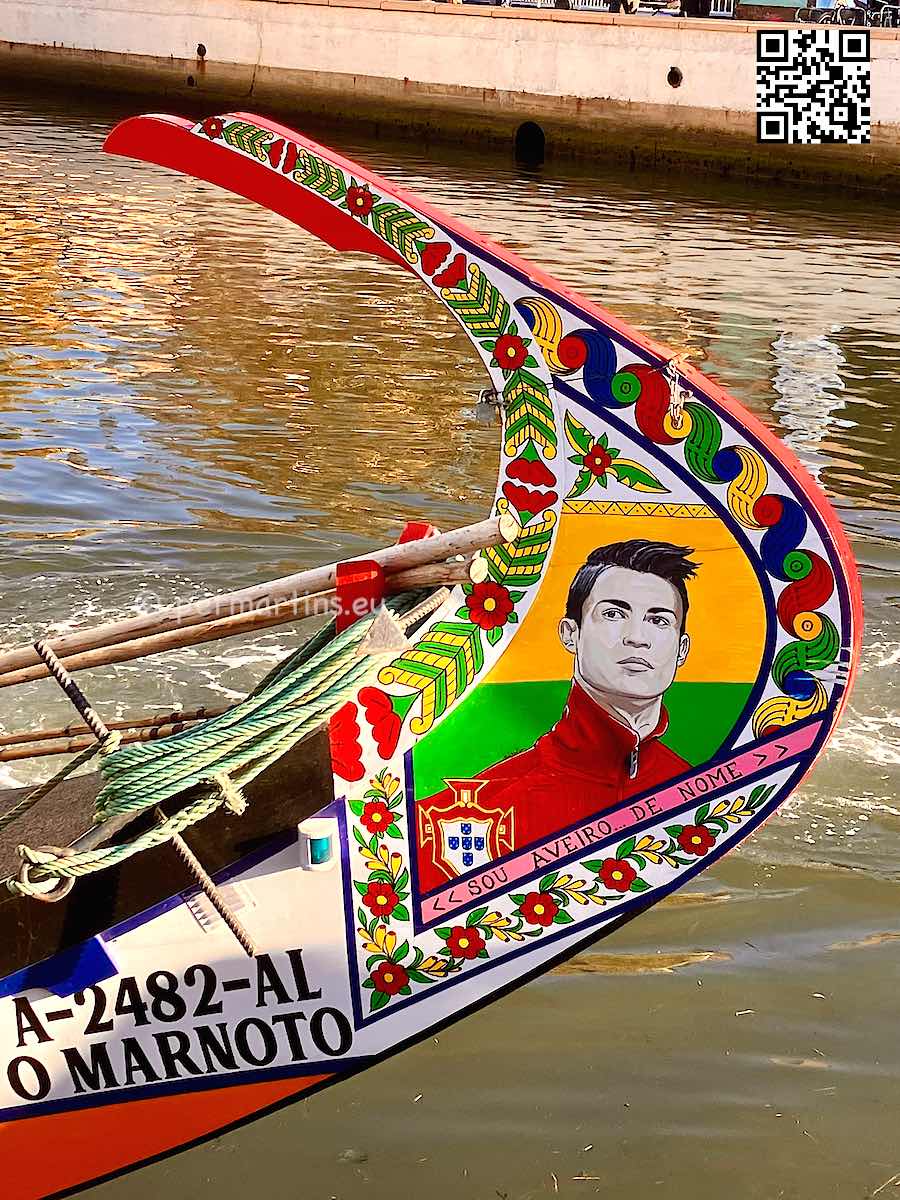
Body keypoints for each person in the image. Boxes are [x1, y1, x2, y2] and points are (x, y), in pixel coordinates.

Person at [416, 540, 699, 890]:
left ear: (681, 648)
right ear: (570, 634)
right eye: (614, 614)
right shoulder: (465, 817)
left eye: (658, 620)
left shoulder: (712, 799)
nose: (637, 638)